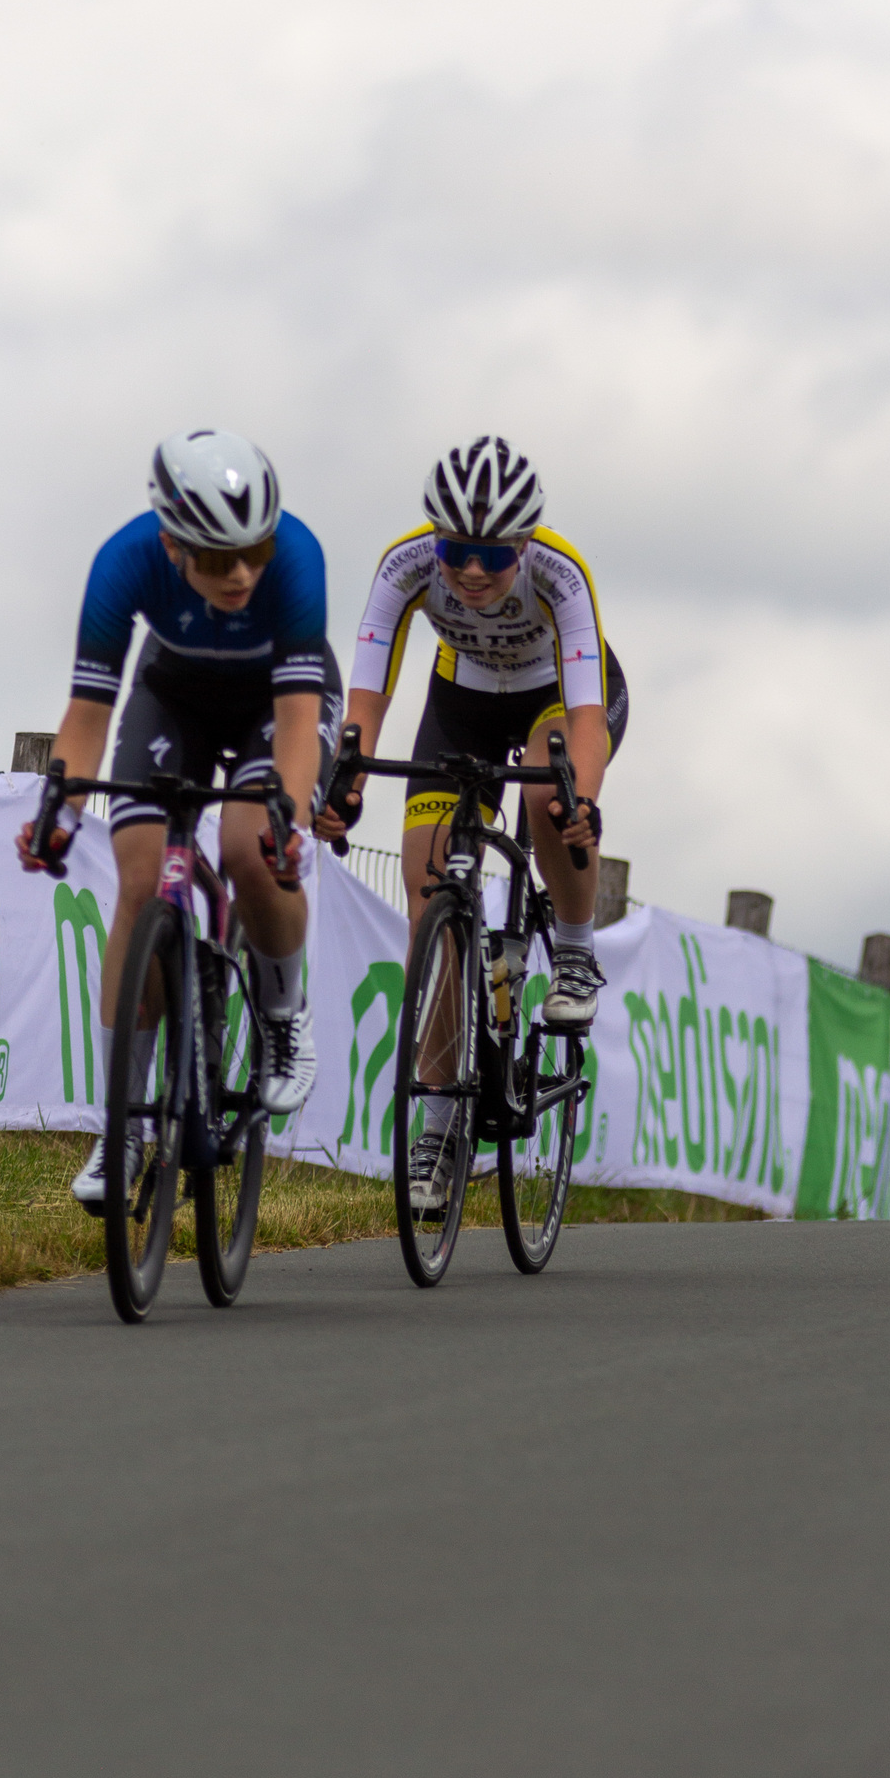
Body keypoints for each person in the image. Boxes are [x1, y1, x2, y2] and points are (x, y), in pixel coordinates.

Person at [17, 428, 340, 1206]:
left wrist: (287, 821)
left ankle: (284, 1016)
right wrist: (59, 809)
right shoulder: (123, 561)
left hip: (274, 703)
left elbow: (298, 720)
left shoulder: (296, 557)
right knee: (136, 880)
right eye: (217, 558)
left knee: (247, 846)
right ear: (171, 544)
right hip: (176, 696)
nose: (241, 574)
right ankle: (121, 1130)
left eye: (253, 552)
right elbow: (89, 713)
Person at [314, 433, 627, 1207]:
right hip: (461, 706)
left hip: (558, 698)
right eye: (456, 551)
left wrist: (580, 800)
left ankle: (577, 954)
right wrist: (345, 781)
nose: (474, 571)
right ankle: (441, 1123)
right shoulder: (405, 567)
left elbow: (588, 718)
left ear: (525, 544)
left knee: (545, 794)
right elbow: (367, 700)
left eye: (495, 556)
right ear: (434, 540)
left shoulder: (561, 575)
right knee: (431, 901)